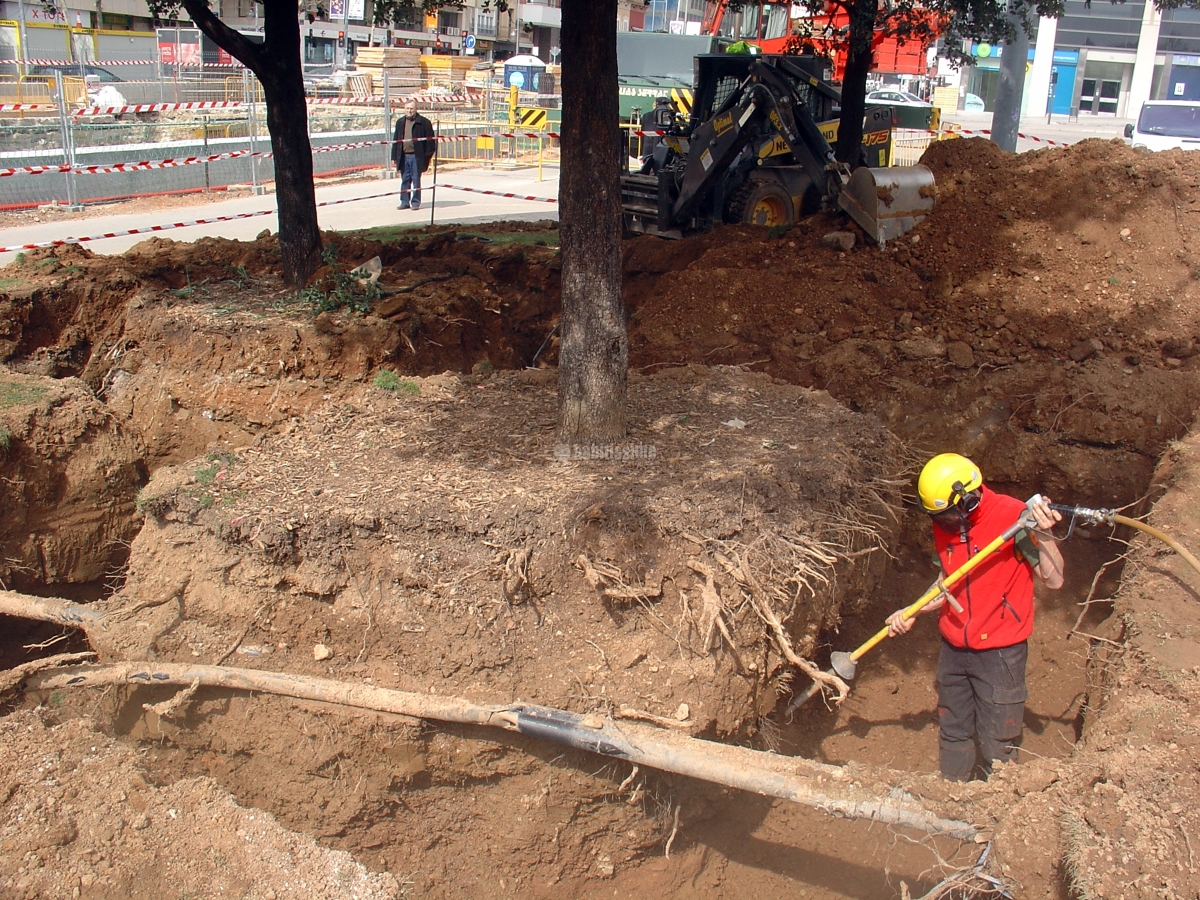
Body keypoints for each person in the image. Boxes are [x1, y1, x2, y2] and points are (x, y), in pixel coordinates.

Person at [886, 452, 1065, 781]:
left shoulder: (1014, 518)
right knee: (953, 732)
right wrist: (912, 611)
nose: (940, 523)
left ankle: (996, 801)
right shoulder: (946, 523)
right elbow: (946, 581)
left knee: (998, 741)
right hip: (953, 650)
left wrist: (1045, 535)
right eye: (936, 516)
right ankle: (950, 795)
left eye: (945, 515)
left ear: (967, 500)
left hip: (1000, 654)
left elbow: (1054, 580)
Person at [391, 101, 435, 211]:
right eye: (407, 108)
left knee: (416, 180)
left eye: (411, 108)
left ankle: (415, 202)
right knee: (405, 180)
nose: (409, 111)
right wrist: (394, 157)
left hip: (417, 157)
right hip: (404, 157)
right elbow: (396, 140)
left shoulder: (424, 123)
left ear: (416, 109)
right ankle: (404, 202)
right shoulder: (400, 122)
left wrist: (426, 157)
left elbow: (431, 143)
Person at [638, 96, 674, 174]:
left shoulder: (646, 115)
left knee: (646, 170)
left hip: (647, 148)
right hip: (660, 149)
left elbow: (642, 133)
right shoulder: (667, 116)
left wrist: (642, 148)